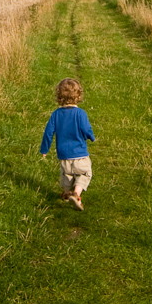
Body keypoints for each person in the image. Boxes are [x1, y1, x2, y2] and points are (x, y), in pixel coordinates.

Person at [40, 78, 94, 211]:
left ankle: (66, 192)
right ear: (79, 95)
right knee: (84, 174)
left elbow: (48, 133)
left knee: (67, 174)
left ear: (59, 96)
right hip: (80, 154)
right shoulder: (80, 113)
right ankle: (76, 194)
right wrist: (91, 137)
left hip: (63, 154)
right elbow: (86, 129)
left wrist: (44, 149)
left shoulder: (56, 114)